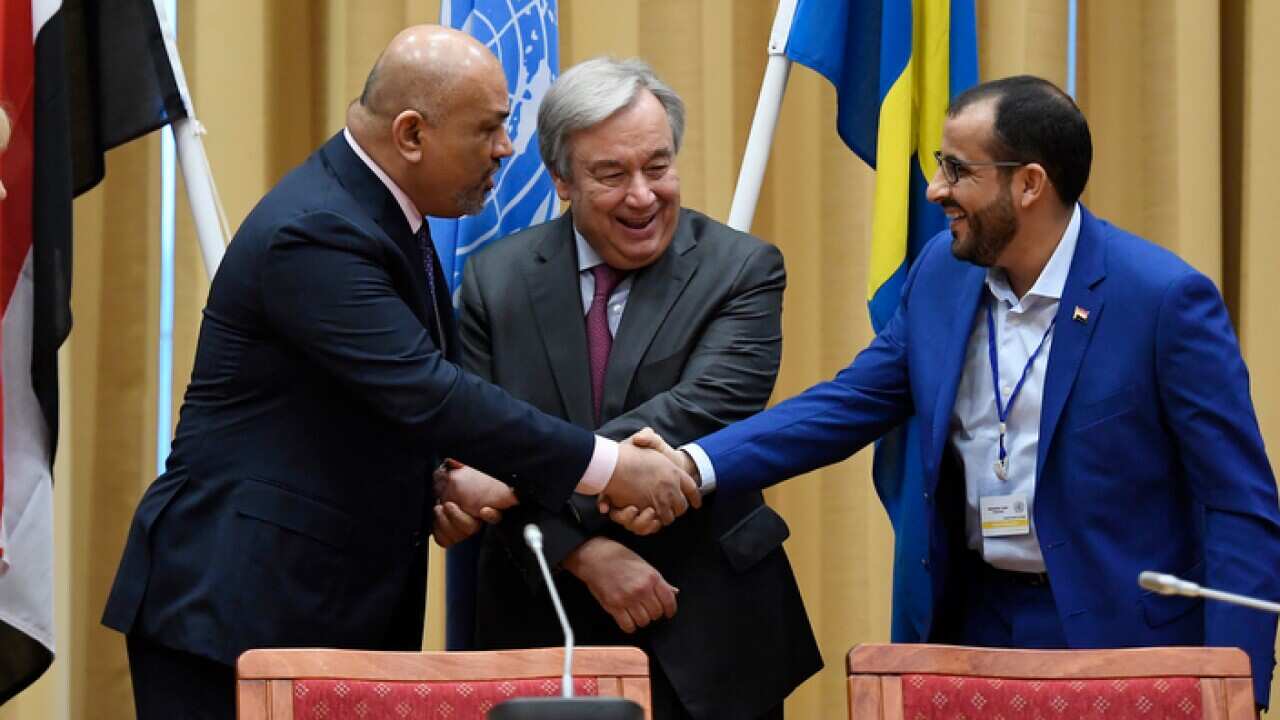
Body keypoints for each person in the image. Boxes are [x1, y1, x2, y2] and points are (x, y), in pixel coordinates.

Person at [100, 26, 698, 719]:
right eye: (489, 128)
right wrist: (610, 466)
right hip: (236, 612)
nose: (507, 149)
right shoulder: (317, 231)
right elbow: (429, 394)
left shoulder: (381, 212)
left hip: (319, 604)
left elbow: (366, 403)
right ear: (412, 134)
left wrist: (440, 477)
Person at [628, 75, 1280, 708]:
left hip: (1123, 640)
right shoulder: (942, 273)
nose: (936, 189)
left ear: (1029, 184)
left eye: (958, 170)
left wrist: (1236, 685)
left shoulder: (1162, 301)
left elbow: (1238, 503)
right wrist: (692, 464)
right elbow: (843, 405)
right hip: (974, 625)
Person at [434, 57, 820, 720]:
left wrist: (514, 479)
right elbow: (475, 442)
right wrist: (582, 554)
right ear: (562, 179)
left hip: (710, 627)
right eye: (612, 175)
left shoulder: (742, 269)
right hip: (542, 616)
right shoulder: (496, 280)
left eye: (658, 167)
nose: (642, 196)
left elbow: (703, 411)